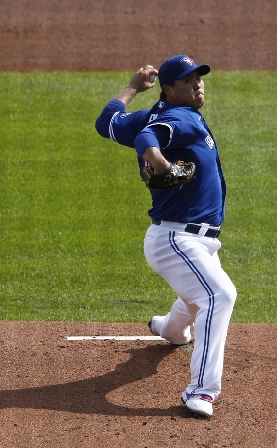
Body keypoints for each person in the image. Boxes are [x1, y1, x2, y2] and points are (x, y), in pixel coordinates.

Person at [95, 55, 237, 418]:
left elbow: (107, 122)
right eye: (188, 81)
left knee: (197, 297)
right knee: (220, 296)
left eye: (199, 78)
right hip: (176, 240)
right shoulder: (180, 118)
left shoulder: (153, 112)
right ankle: (200, 392)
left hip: (194, 240)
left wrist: (131, 88)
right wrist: (159, 163)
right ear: (170, 89)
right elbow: (148, 137)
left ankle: (171, 330)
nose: (198, 84)